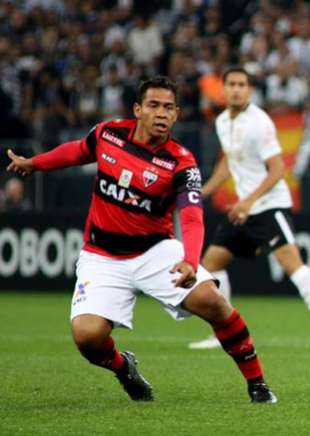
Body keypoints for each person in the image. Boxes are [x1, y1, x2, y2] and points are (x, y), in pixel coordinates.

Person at [5, 76, 277, 404]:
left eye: (169, 108)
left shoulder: (181, 162)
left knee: (213, 301)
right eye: (154, 105)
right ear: (138, 109)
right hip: (102, 256)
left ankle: (258, 385)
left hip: (154, 251)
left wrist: (191, 260)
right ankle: (124, 369)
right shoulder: (108, 134)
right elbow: (76, 152)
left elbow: (191, 216)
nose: (161, 113)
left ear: (176, 114)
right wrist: (35, 164)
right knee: (88, 338)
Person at [187, 67, 310, 352]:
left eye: (241, 85)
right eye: (231, 84)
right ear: (223, 89)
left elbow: (278, 169)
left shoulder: (260, 122)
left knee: (292, 264)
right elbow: (228, 163)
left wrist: (248, 201)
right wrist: (200, 193)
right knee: (210, 265)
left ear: (250, 90)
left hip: (270, 206)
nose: (236, 89)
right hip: (244, 209)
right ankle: (224, 333)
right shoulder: (223, 121)